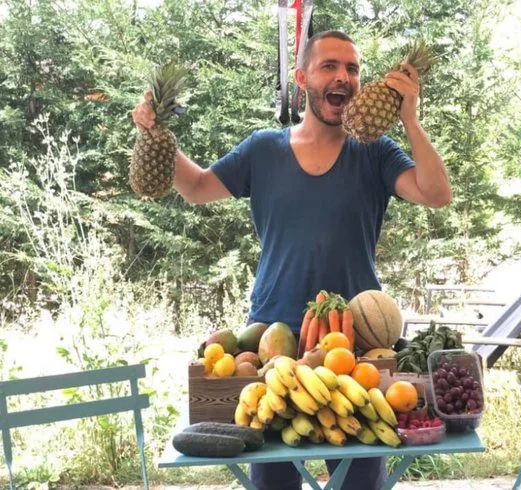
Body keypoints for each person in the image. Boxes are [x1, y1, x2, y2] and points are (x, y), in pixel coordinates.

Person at [132, 29, 452, 490]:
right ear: (302, 78)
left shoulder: (376, 152)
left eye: (352, 68)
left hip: (357, 340)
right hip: (271, 338)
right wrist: (156, 135)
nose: (343, 76)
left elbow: (436, 194)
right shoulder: (263, 149)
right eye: (329, 66)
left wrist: (411, 121)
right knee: (272, 480)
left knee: (360, 482)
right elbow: (198, 188)